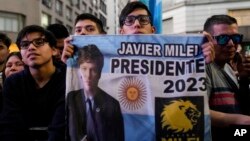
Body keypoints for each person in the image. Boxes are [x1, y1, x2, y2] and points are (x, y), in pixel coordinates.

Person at [0, 25, 65, 141]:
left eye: (39, 42)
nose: (31, 47)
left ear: (54, 50)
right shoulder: (13, 83)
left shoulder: (67, 79)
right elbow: (10, 128)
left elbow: (60, 129)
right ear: (22, 55)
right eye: (25, 45)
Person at [119, 1, 215, 64]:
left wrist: (202, 64)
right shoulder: (106, 62)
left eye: (143, 20)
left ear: (153, 30)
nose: (137, 24)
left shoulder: (174, 61)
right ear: (121, 32)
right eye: (129, 21)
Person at [203, 15, 250, 141]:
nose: (231, 44)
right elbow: (199, 113)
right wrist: (244, 122)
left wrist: (244, 79)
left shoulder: (228, 67)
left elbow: (240, 108)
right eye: (223, 38)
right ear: (207, 40)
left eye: (235, 38)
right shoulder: (204, 67)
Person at [67, 44, 124, 141]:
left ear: (100, 73)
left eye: (93, 70)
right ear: (79, 71)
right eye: (84, 69)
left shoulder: (113, 104)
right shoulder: (71, 98)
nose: (88, 75)